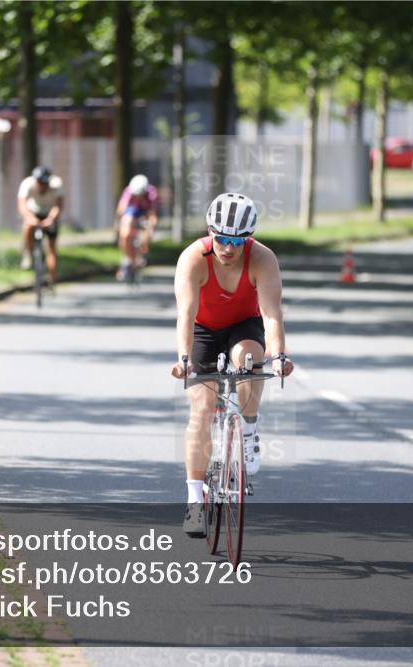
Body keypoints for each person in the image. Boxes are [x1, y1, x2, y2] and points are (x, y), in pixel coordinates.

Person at [170, 192, 294, 537]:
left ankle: (249, 428)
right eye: (221, 238)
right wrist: (184, 358)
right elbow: (186, 313)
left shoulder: (262, 259)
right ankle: (195, 502)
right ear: (211, 233)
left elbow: (271, 315)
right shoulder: (193, 258)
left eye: (237, 241)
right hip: (203, 329)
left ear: (248, 238)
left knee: (251, 360)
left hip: (244, 325)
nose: (228, 247)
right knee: (202, 408)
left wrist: (279, 354)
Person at [17, 166, 64, 284]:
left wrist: (51, 219)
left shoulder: (57, 184)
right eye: (40, 183)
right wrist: (30, 218)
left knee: (51, 248)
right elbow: (22, 206)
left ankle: (52, 279)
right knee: (27, 227)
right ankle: (28, 253)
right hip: (33, 212)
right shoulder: (27, 184)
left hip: (49, 214)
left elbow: (58, 206)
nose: (42, 186)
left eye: (44, 183)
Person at [115, 174, 159, 280]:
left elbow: (153, 214)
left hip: (146, 211)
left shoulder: (152, 193)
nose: (138, 196)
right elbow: (122, 210)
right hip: (133, 210)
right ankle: (128, 259)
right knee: (125, 233)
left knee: (148, 230)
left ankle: (143, 251)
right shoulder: (129, 192)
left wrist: (151, 226)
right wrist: (121, 225)